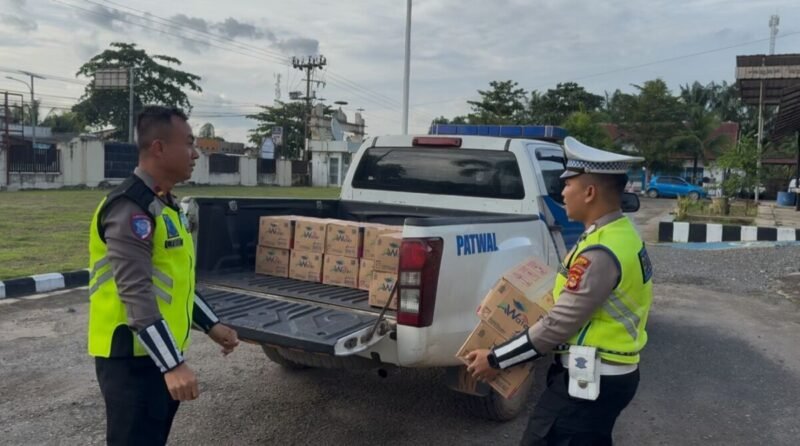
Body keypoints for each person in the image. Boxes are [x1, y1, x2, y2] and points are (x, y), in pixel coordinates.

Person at [466, 137, 654, 446]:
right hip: (608, 374)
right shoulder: (619, 234)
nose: (561, 192)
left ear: (590, 192)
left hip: (592, 380)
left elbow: (558, 324)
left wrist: (497, 359)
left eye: (567, 185)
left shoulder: (601, 251)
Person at [87, 105, 240, 445]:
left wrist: (212, 325)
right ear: (158, 148)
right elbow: (137, 293)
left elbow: (177, 281)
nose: (196, 153)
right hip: (132, 361)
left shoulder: (166, 206)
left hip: (153, 355)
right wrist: (172, 364)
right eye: (188, 143)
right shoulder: (131, 208)